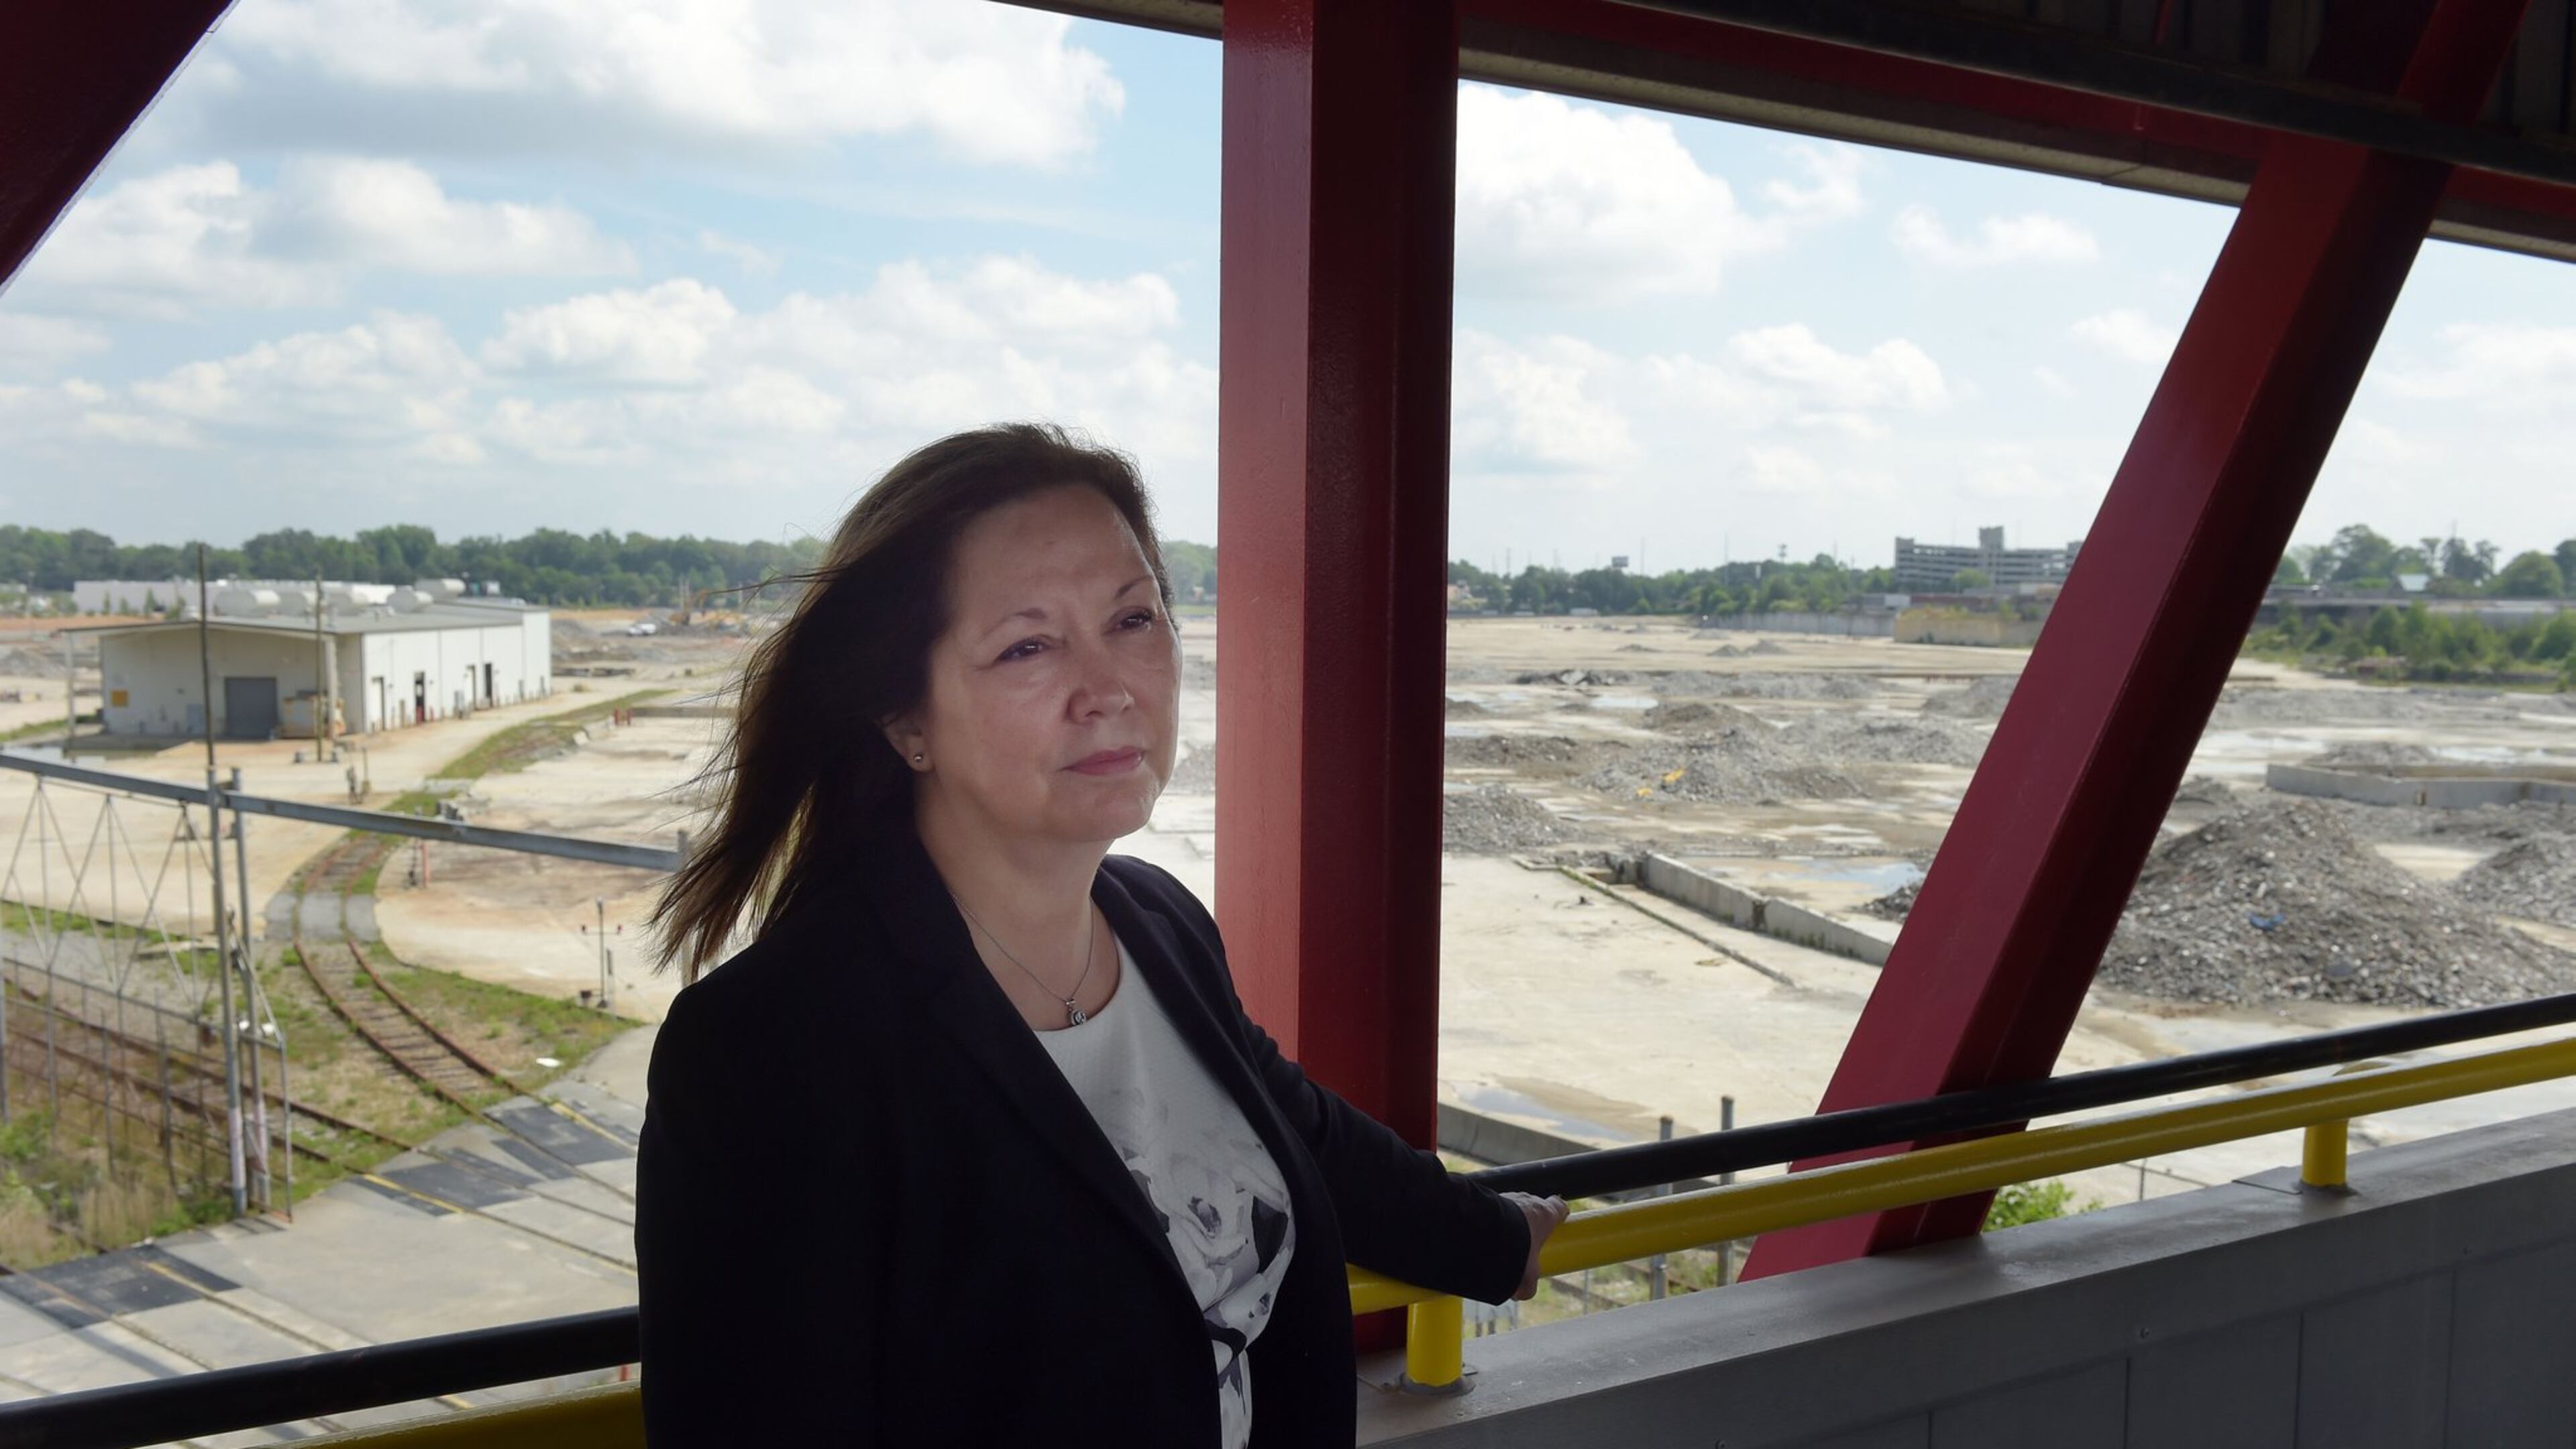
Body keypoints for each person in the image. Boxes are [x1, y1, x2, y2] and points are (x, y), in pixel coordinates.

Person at [636, 423, 1567, 1446]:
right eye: (1028, 646)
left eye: (1133, 619)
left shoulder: (1154, 921)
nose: (1111, 690)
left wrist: (1494, 1239)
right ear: (906, 720)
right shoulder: (775, 1047)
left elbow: (1291, 1125)